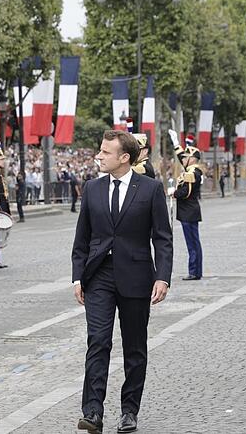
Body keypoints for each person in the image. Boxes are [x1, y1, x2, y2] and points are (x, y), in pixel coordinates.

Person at [71, 130, 173, 434]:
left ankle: (130, 411)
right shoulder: (92, 188)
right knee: (98, 341)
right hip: (99, 275)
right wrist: (78, 276)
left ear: (124, 157)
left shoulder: (150, 189)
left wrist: (163, 277)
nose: (99, 156)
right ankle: (92, 411)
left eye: (105, 152)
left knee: (134, 347)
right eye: (100, 151)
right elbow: (82, 237)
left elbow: (163, 238)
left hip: (137, 276)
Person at [167, 130, 204, 280]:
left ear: (192, 159)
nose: (183, 159)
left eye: (186, 157)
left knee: (192, 243)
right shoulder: (190, 169)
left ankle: (194, 271)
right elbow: (180, 155)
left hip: (189, 211)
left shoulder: (193, 172)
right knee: (193, 242)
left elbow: (186, 192)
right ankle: (195, 270)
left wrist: (174, 193)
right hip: (189, 211)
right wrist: (176, 143)